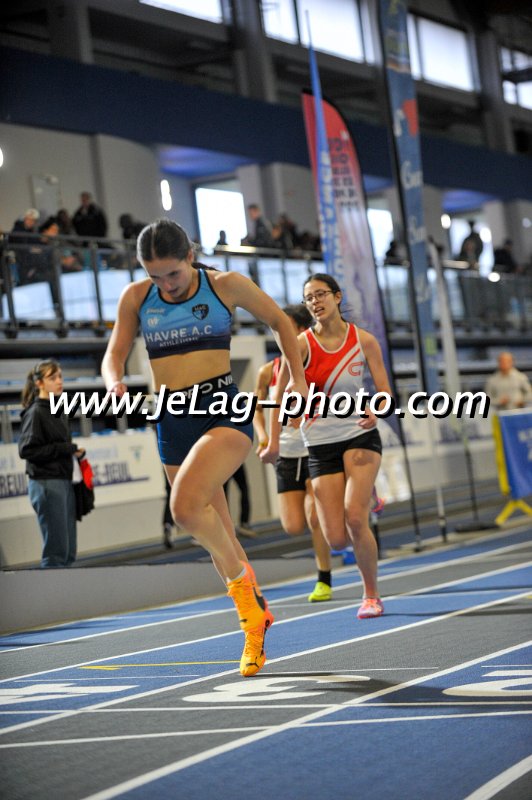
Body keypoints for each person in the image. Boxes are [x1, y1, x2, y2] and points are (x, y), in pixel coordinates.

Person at [101, 218, 307, 677]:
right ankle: (253, 622)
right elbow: (113, 354)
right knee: (219, 536)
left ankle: (247, 594)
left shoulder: (225, 285)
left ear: (190, 257)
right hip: (171, 419)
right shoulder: (136, 297)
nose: (166, 285)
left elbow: (280, 322)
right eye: (155, 276)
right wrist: (114, 381)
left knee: (185, 509)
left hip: (222, 411)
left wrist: (297, 377)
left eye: (173, 273)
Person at [268, 274, 392, 619]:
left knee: (355, 518)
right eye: (309, 298)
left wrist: (377, 410)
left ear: (337, 297)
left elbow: (385, 392)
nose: (315, 302)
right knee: (337, 539)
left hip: (358, 434)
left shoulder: (364, 341)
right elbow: (279, 394)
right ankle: (367, 497)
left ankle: (371, 595)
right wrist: (280, 431)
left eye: (320, 294)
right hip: (320, 444)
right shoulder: (300, 345)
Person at [255, 304, 333, 602]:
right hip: (286, 455)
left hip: (315, 449)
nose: (279, 333)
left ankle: (324, 578)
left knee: (315, 518)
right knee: (293, 526)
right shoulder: (267, 371)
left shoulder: (315, 364)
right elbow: (257, 409)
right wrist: (264, 437)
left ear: (301, 331)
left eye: (284, 327)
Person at [18, 359, 84, 568]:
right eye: (53, 378)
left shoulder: (57, 409)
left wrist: (72, 450)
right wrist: (64, 448)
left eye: (60, 376)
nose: (59, 381)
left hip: (63, 479)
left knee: (68, 550)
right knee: (56, 553)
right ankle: (53, 588)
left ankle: (65, 588)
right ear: (39, 383)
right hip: (47, 482)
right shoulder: (36, 412)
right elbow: (26, 450)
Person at [223, 464, 257, 538]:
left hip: (236, 463)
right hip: (224, 464)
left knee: (244, 490)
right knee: (223, 495)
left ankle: (244, 523)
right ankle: (226, 526)